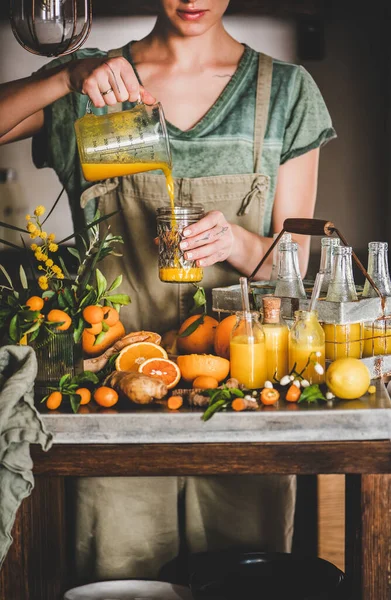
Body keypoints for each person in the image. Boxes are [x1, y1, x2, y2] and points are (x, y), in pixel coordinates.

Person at [0, 0, 336, 583]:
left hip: (240, 407)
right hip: (112, 404)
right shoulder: (91, 84)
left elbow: (291, 268)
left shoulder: (286, 93)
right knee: (120, 581)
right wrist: (64, 76)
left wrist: (235, 241)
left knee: (242, 587)